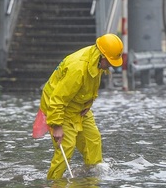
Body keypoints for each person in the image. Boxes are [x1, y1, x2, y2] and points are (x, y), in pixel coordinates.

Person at [38, 34, 123, 180]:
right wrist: (56, 125)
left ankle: (91, 182)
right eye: (109, 62)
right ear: (102, 56)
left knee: (93, 140)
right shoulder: (78, 68)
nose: (110, 65)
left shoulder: (96, 61)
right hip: (59, 109)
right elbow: (58, 98)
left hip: (79, 107)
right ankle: (53, 186)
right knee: (66, 147)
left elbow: (90, 86)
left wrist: (89, 103)